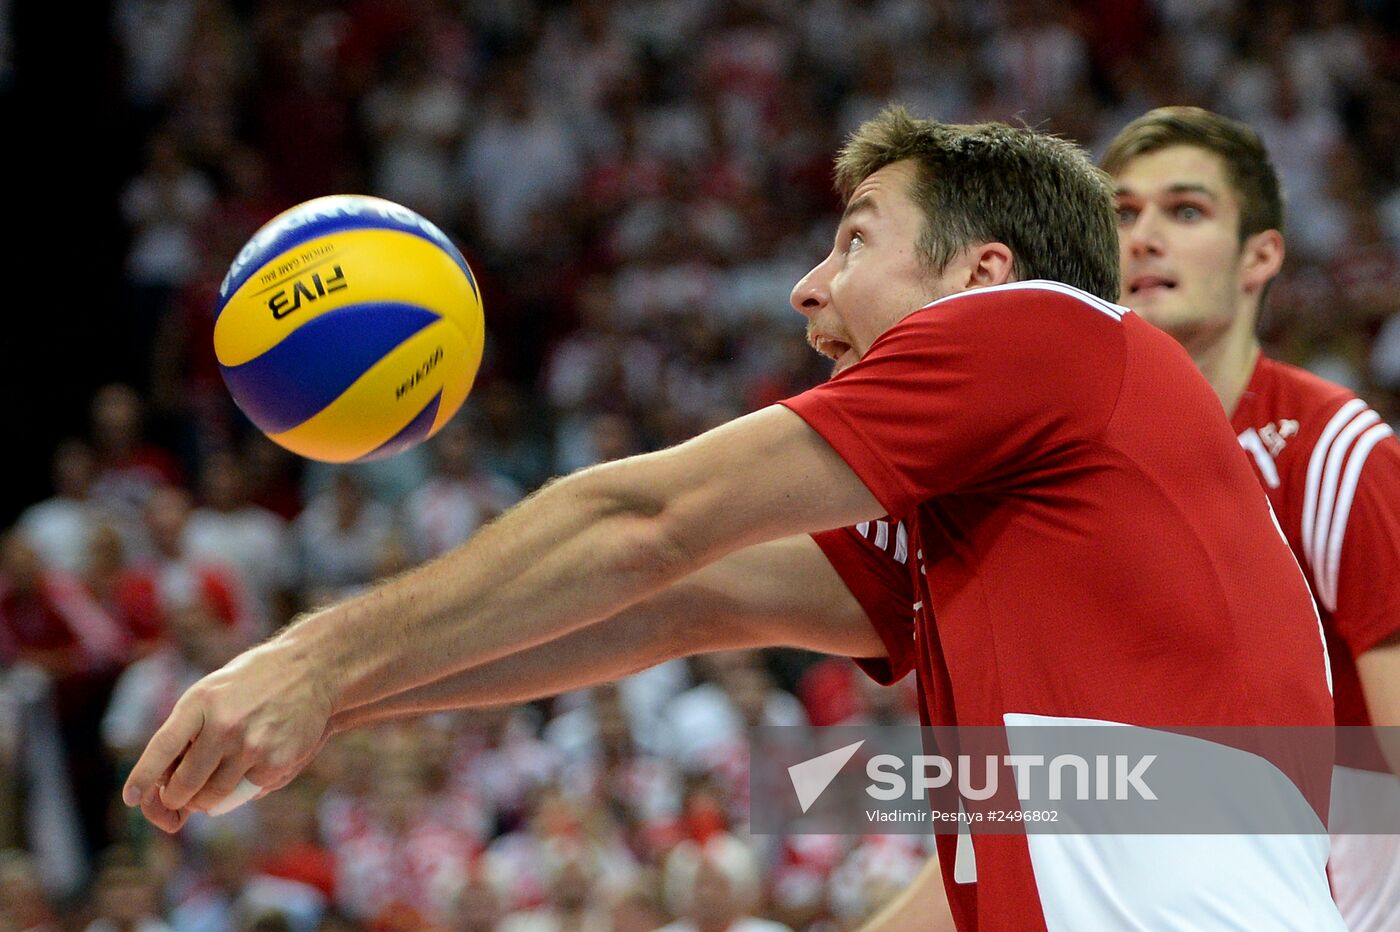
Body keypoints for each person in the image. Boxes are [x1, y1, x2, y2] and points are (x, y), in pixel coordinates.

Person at [124, 106, 1344, 929]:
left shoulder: (1046, 330)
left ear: (981, 272)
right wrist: (340, 702)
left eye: (854, 239)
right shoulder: (1007, 506)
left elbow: (649, 519)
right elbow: (686, 597)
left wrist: (312, 652)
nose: (810, 289)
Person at [1105, 105, 1400, 932]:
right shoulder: (1078, 476)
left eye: (1185, 210)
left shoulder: (1334, 449)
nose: (1144, 236)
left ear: (1260, 256)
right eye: (1122, 213)